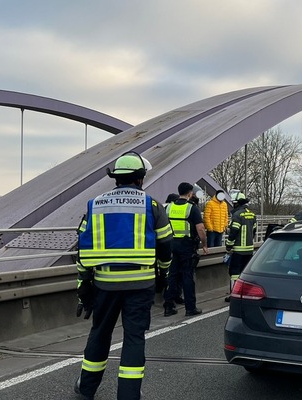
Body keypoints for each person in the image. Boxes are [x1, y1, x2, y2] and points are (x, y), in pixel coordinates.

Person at [74, 151, 173, 400]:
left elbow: (83, 248)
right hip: (141, 285)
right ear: (140, 178)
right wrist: (164, 272)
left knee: (100, 334)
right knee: (133, 338)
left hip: (105, 284)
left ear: (116, 178)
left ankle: (86, 390)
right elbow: (165, 243)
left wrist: (83, 283)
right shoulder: (151, 205)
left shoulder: (95, 205)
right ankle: (128, 395)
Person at [163, 182, 209, 317]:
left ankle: (169, 306)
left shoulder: (169, 207)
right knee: (187, 276)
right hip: (186, 246)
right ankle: (190, 308)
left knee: (172, 276)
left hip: (171, 245)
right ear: (190, 193)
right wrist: (204, 244)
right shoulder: (191, 208)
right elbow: (200, 229)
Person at [224, 191, 255, 302]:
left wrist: (228, 245)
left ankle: (234, 294)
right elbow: (254, 231)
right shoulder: (252, 214)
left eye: (234, 203)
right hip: (249, 249)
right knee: (244, 273)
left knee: (234, 273)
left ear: (237, 203)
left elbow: (234, 232)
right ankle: (245, 293)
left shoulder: (237, 215)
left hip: (238, 250)